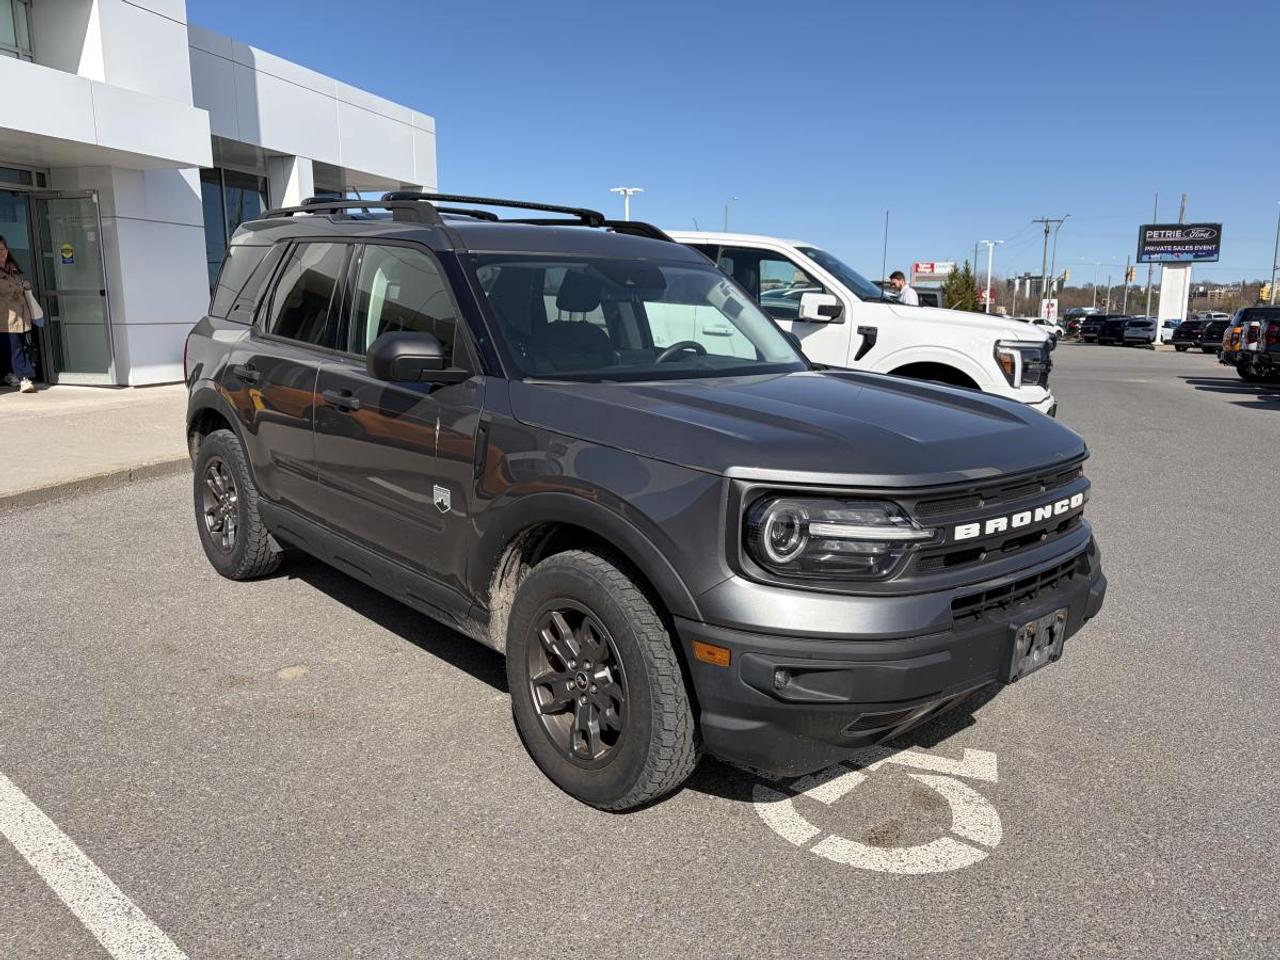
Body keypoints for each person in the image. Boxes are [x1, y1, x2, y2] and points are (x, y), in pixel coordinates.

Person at [0, 235, 37, 393]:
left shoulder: (14, 270)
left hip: (20, 318)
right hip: (5, 318)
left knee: (15, 348)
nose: (1, 253)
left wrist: (26, 286)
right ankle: (23, 378)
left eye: (2, 249)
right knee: (15, 349)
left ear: (7, 251)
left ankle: (12, 375)